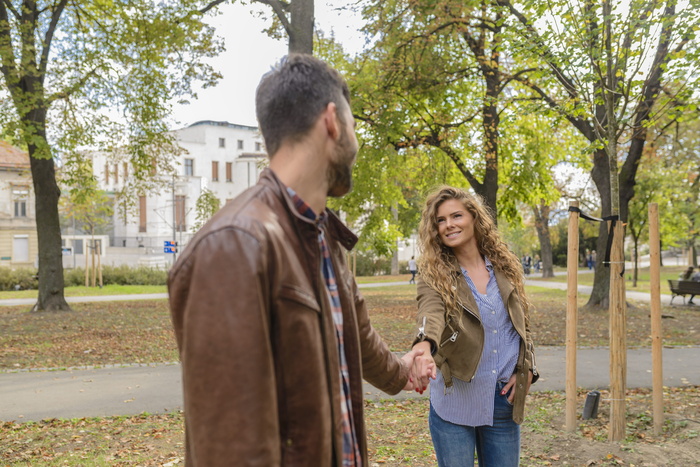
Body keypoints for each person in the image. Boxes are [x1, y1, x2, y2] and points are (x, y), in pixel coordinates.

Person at [168, 55, 431, 466]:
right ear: (332, 121)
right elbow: (230, 450)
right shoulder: (234, 245)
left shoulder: (322, 233)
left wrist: (404, 368)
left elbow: (357, 341)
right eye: (354, 127)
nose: (356, 145)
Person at [411, 186, 539, 467]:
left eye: (456, 215)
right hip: (455, 401)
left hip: (503, 401)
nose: (449, 225)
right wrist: (423, 344)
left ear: (473, 217)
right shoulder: (434, 274)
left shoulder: (504, 266)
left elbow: (522, 326)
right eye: (441, 221)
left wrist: (528, 367)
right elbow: (430, 313)